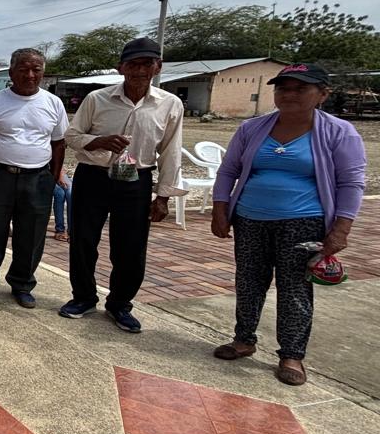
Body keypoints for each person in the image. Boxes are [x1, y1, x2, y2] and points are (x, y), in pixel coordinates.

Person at [210, 63, 366, 386]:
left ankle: (292, 354)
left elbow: (351, 183)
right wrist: (220, 209)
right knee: (249, 281)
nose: (289, 94)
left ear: (322, 94)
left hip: (303, 222)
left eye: (300, 88)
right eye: (283, 88)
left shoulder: (339, 132)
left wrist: (341, 229)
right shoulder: (252, 128)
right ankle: (243, 339)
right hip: (250, 219)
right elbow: (228, 171)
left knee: (294, 288)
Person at [61, 37, 185, 332]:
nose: (140, 70)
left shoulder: (169, 104)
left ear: (158, 67)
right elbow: (71, 136)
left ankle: (120, 304)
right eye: (133, 64)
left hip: (136, 180)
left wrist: (163, 197)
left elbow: (171, 151)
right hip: (94, 176)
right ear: (121, 68)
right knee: (83, 240)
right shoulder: (97, 99)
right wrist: (98, 141)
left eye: (147, 64)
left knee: (130, 246)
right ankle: (83, 297)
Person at [0, 48, 68, 308]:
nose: (30, 75)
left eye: (36, 70)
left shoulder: (53, 103)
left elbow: (58, 143)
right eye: (23, 69)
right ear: (11, 72)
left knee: (32, 234)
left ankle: (22, 284)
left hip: (38, 178)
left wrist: (54, 176)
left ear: (43, 73)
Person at [52, 168, 71, 242]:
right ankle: (60, 230)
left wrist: (61, 174)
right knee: (60, 193)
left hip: (59, 172)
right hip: (46, 173)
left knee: (70, 193)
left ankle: (71, 231)